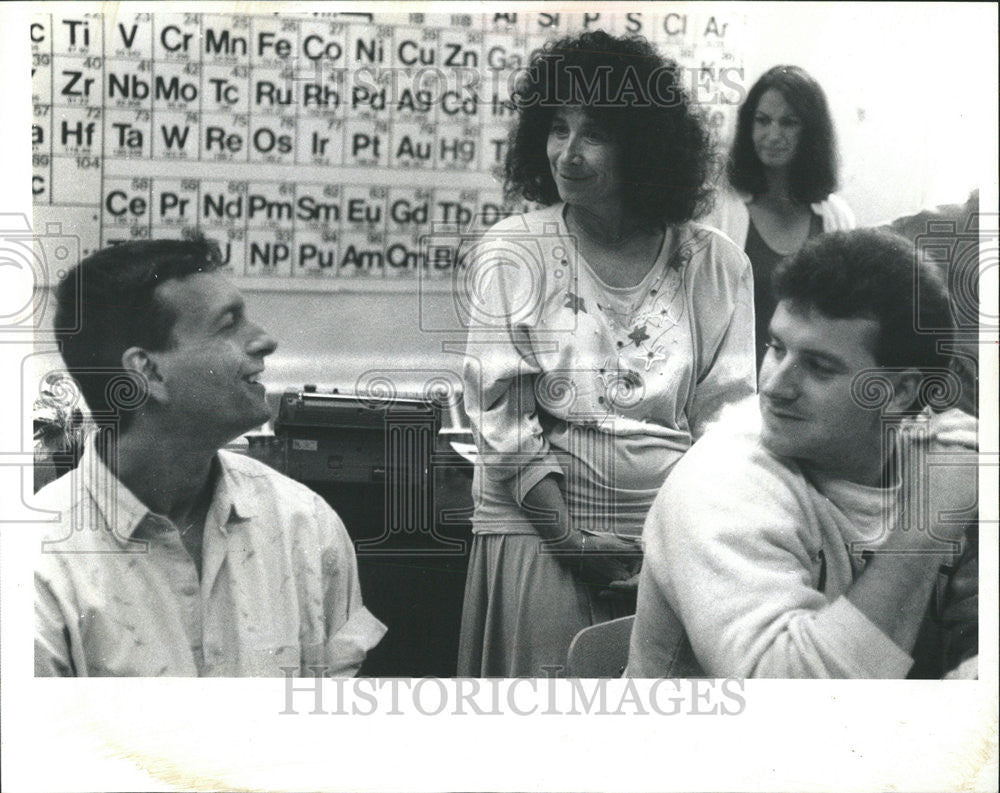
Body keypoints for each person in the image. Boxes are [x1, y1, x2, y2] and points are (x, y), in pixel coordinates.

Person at [457, 31, 756, 677]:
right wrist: (571, 539)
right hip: (539, 531)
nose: (568, 152)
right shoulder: (513, 249)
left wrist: (674, 549)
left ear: (643, 146)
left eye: (593, 132)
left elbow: (729, 425)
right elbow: (502, 418)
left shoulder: (714, 262)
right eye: (557, 128)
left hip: (675, 544)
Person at [628, 228, 978, 679]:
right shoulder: (724, 476)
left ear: (899, 392)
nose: (774, 386)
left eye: (818, 367)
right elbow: (793, 703)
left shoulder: (944, 457)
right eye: (776, 348)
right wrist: (928, 524)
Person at [34, 237, 386, 676]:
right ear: (148, 372)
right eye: (229, 324)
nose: (265, 340)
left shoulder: (305, 524)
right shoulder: (37, 563)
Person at [705, 65, 856, 368]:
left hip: (803, 385)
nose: (773, 135)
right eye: (762, 121)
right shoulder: (720, 207)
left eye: (788, 122)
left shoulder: (836, 217)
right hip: (728, 384)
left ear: (811, 132)